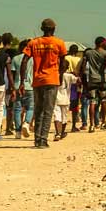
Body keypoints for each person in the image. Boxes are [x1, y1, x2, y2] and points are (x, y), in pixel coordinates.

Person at [24, 18, 67, 149]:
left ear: (42, 29)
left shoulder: (33, 43)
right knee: (48, 111)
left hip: (37, 80)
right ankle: (43, 140)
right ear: (54, 29)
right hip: (52, 80)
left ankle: (37, 139)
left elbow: (24, 61)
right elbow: (63, 62)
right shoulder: (59, 43)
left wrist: (21, 80)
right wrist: (59, 74)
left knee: (38, 110)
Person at [79, 36, 106, 130]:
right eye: (105, 43)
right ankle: (103, 122)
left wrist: (81, 79)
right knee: (103, 101)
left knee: (92, 102)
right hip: (102, 81)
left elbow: (83, 67)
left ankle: (91, 125)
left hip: (91, 81)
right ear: (101, 43)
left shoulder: (88, 53)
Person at [10, 38, 35, 137]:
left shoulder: (15, 58)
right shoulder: (33, 59)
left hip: (17, 86)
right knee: (30, 108)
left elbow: (12, 73)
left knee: (17, 109)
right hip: (30, 86)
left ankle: (18, 132)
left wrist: (12, 88)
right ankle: (27, 122)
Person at [54, 57, 77, 141]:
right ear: (67, 67)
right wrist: (75, 73)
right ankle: (62, 132)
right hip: (66, 100)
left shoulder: (55, 74)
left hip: (56, 99)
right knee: (64, 117)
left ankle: (57, 133)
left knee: (57, 116)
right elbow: (78, 81)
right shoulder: (69, 76)